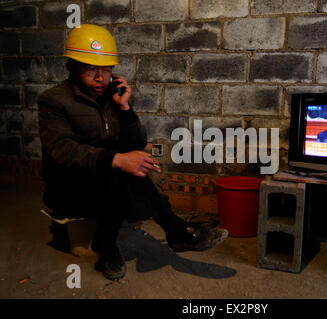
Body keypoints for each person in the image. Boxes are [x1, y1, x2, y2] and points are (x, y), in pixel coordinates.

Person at [38, 24, 228, 281]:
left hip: (106, 180)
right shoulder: (53, 100)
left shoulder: (112, 95)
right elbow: (63, 150)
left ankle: (106, 249)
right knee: (119, 174)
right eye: (91, 69)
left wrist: (125, 109)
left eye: (106, 69)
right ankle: (176, 232)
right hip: (70, 185)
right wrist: (117, 159)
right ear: (72, 68)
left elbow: (136, 142)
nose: (100, 78)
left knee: (121, 175)